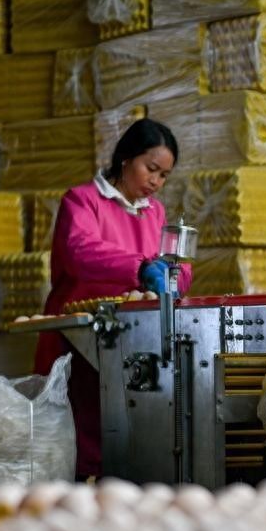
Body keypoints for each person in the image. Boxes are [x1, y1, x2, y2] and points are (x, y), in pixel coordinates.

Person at [35, 118, 193, 480]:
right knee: (82, 428)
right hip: (80, 336)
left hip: (133, 335)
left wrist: (176, 276)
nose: (156, 181)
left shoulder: (155, 212)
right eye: (150, 168)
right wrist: (140, 267)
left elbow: (172, 262)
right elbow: (80, 251)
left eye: (164, 175)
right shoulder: (82, 200)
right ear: (125, 158)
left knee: (129, 423)